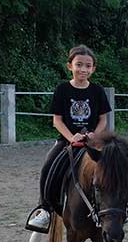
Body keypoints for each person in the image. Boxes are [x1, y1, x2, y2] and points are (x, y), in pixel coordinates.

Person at [26, 45, 112, 232]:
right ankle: (45, 210)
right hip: (67, 141)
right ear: (69, 66)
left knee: (114, 164)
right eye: (79, 64)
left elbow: (103, 118)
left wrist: (94, 134)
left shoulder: (97, 90)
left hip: (92, 141)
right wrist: (71, 138)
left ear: (93, 69)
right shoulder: (62, 89)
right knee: (48, 166)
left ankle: (120, 210)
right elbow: (57, 120)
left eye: (88, 66)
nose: (83, 69)